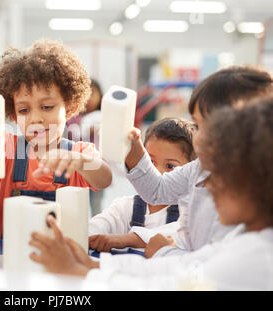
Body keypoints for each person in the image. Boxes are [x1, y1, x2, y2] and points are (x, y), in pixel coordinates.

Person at [29, 97, 273, 290]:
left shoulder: (256, 258)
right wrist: (94, 265)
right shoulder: (242, 241)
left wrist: (81, 273)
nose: (207, 185)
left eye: (220, 175)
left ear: (260, 178)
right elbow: (181, 270)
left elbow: (168, 286)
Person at [0, 39, 113, 239]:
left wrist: (82, 162)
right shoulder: (7, 146)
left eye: (47, 107)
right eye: (24, 110)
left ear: (71, 107)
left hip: (62, 259)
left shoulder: (80, 152)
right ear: (13, 115)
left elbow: (104, 180)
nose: (36, 119)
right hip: (7, 255)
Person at [125, 66, 273, 258]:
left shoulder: (249, 200)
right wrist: (133, 146)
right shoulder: (199, 168)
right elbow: (156, 191)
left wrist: (164, 252)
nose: (199, 138)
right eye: (196, 125)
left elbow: (211, 267)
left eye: (212, 126)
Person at [88, 117, 196, 252]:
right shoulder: (127, 207)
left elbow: (181, 235)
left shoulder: (190, 213)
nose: (157, 172)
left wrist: (126, 239)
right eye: (150, 162)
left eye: (170, 166)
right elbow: (100, 225)